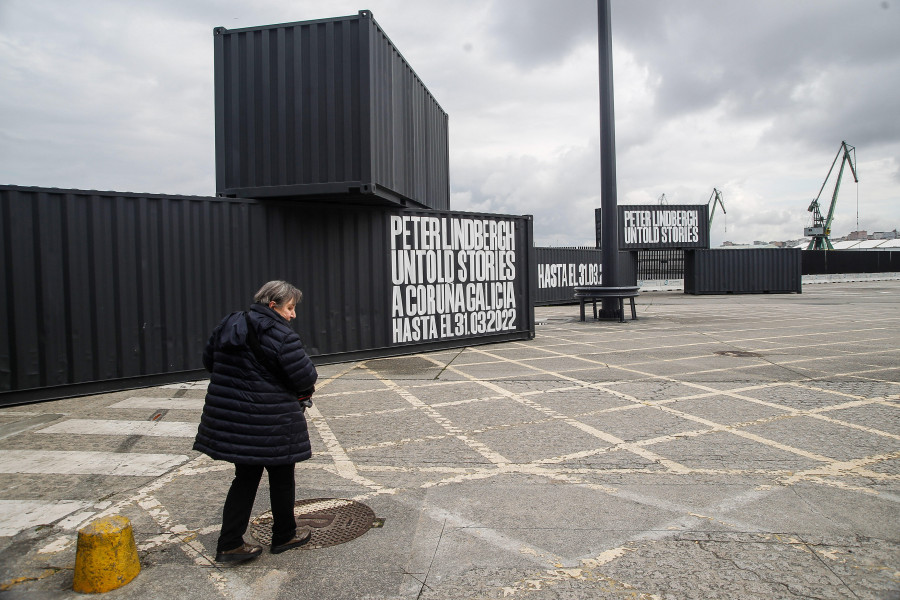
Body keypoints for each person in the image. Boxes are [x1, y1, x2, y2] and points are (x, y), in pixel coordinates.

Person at [194, 280, 318, 563]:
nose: (293, 315)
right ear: (272, 306)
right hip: (272, 421)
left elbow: (209, 361)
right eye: (290, 308)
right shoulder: (281, 335)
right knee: (282, 476)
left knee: (246, 478)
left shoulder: (229, 324)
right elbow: (305, 377)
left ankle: (229, 543)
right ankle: (284, 536)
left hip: (235, 419)